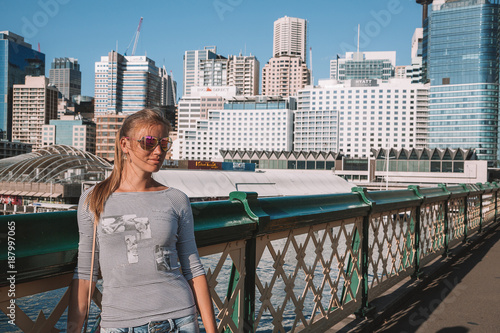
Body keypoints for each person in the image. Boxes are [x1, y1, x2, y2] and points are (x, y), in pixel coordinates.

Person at [68, 109, 217, 333]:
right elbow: (85, 275)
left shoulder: (176, 199)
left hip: (178, 321)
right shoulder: (93, 199)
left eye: (164, 143)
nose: (158, 151)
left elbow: (193, 270)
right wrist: (73, 330)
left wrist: (211, 330)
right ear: (125, 144)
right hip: (118, 324)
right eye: (148, 142)